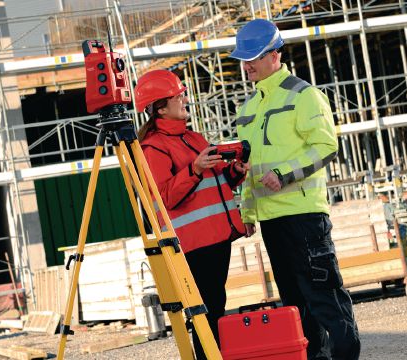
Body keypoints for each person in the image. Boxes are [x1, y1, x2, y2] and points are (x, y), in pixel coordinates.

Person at [230, 19, 361, 360]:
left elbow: (325, 145)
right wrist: (246, 212)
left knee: (324, 297)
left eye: (253, 58)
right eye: (243, 59)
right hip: (273, 221)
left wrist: (284, 174)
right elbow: (249, 168)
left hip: (304, 217)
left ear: (275, 54)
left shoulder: (304, 95)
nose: (246, 66)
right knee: (295, 306)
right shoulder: (248, 110)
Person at [135, 69, 249, 359]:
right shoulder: (153, 148)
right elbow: (165, 197)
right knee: (204, 313)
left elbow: (217, 183)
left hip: (215, 239)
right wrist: (195, 169)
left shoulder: (194, 138)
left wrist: (234, 172)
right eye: (178, 96)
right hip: (193, 245)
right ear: (160, 107)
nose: (185, 98)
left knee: (214, 309)